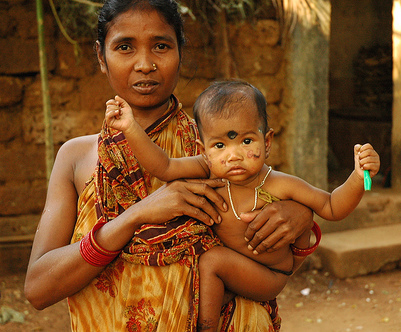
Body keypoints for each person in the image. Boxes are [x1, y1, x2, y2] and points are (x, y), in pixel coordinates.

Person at [24, 1, 314, 331]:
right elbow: (38, 289)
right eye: (124, 47)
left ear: (181, 52)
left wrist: (301, 217)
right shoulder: (75, 158)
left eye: (161, 46)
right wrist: (135, 216)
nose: (145, 64)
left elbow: (275, 264)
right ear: (101, 58)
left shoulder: (216, 154)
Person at [105, 80, 381, 331]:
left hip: (270, 276)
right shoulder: (207, 169)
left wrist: (358, 176)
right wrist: (130, 127)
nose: (233, 155)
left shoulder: (281, 184)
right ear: (203, 149)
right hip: (234, 273)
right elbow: (163, 166)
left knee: (212, 260)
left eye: (246, 141)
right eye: (220, 145)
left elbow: (333, 207)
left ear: (267, 141)